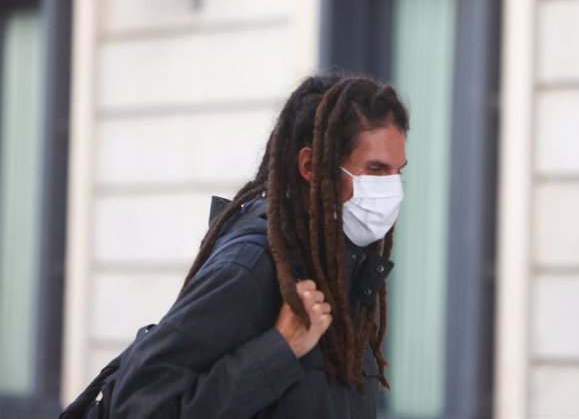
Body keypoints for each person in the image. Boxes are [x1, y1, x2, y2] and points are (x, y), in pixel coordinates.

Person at [109, 74, 410, 418]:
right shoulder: (250, 266)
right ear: (311, 166)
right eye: (375, 170)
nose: (391, 189)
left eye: (397, 171)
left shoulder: (339, 274)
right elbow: (139, 406)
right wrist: (279, 350)